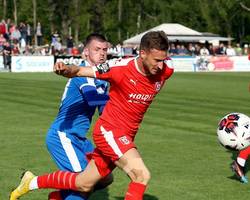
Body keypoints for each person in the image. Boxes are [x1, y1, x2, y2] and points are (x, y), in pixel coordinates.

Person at [10, 31, 174, 200]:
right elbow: (81, 76)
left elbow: (104, 106)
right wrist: (66, 69)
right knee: (141, 175)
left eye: (105, 49)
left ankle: (33, 183)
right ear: (142, 53)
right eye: (97, 49)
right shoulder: (115, 69)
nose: (161, 66)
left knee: (86, 183)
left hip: (102, 135)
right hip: (78, 133)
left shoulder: (167, 68)